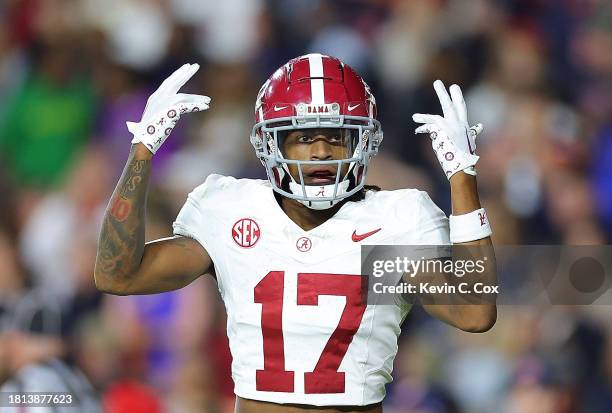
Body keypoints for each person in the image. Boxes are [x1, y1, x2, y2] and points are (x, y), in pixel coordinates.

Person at [94, 54, 497, 413]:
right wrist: (141, 152)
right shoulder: (231, 208)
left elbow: (475, 312)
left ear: (362, 141)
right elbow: (117, 274)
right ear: (272, 140)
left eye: (337, 136)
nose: (321, 152)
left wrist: (463, 176)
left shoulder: (392, 219)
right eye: (304, 137)